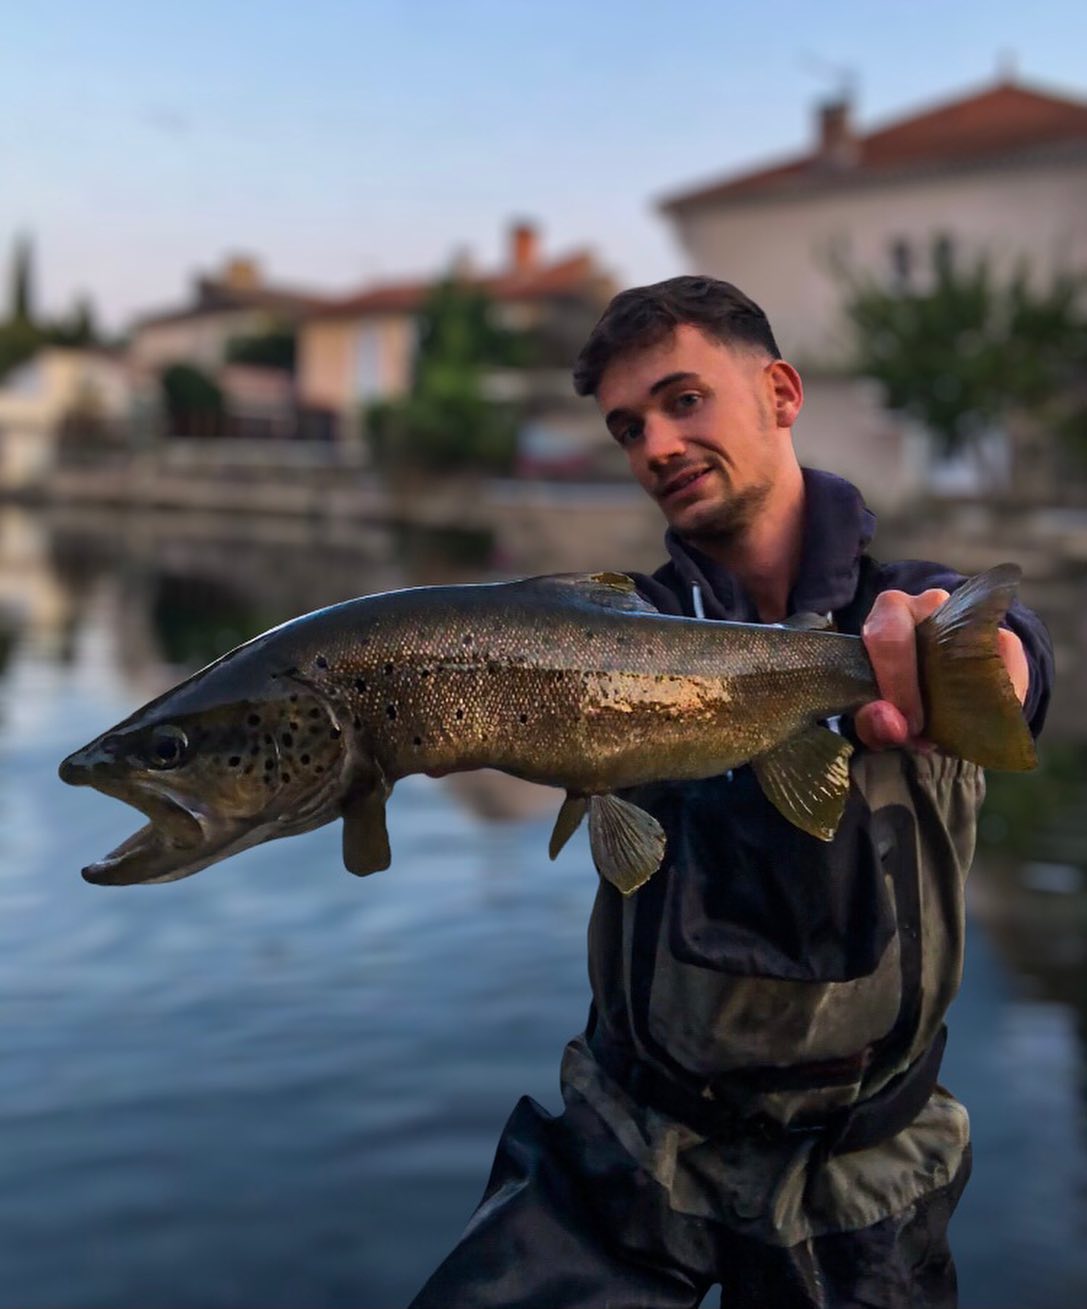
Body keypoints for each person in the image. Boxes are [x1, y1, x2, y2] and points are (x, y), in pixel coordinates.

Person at [407, 276, 1053, 1308]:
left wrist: (1002, 670)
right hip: (627, 1141)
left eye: (682, 400)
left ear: (782, 394)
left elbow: (1013, 655)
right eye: (627, 427)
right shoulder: (607, 628)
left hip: (864, 1174)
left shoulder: (903, 601)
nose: (653, 444)